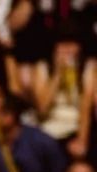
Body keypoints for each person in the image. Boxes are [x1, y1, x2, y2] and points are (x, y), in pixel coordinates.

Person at [31, 22, 96, 158]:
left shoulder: (88, 67)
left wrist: (81, 140)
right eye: (62, 45)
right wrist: (57, 75)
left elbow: (86, 106)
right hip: (46, 130)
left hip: (74, 128)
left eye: (72, 45)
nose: (67, 50)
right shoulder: (42, 67)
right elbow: (42, 109)